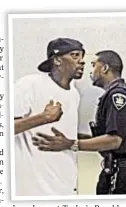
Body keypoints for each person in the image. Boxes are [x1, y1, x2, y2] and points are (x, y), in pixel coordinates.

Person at [32, 50, 126, 195]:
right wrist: (70, 137)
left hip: (124, 171)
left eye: (93, 65)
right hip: (124, 168)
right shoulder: (114, 94)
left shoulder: (118, 96)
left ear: (104, 68)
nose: (90, 71)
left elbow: (114, 141)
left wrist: (70, 144)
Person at [13, 37, 86, 196]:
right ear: (58, 60)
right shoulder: (28, 85)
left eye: (82, 56)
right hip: (34, 191)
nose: (82, 62)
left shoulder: (74, 94)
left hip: (65, 188)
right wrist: (43, 117)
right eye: (75, 55)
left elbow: (64, 136)